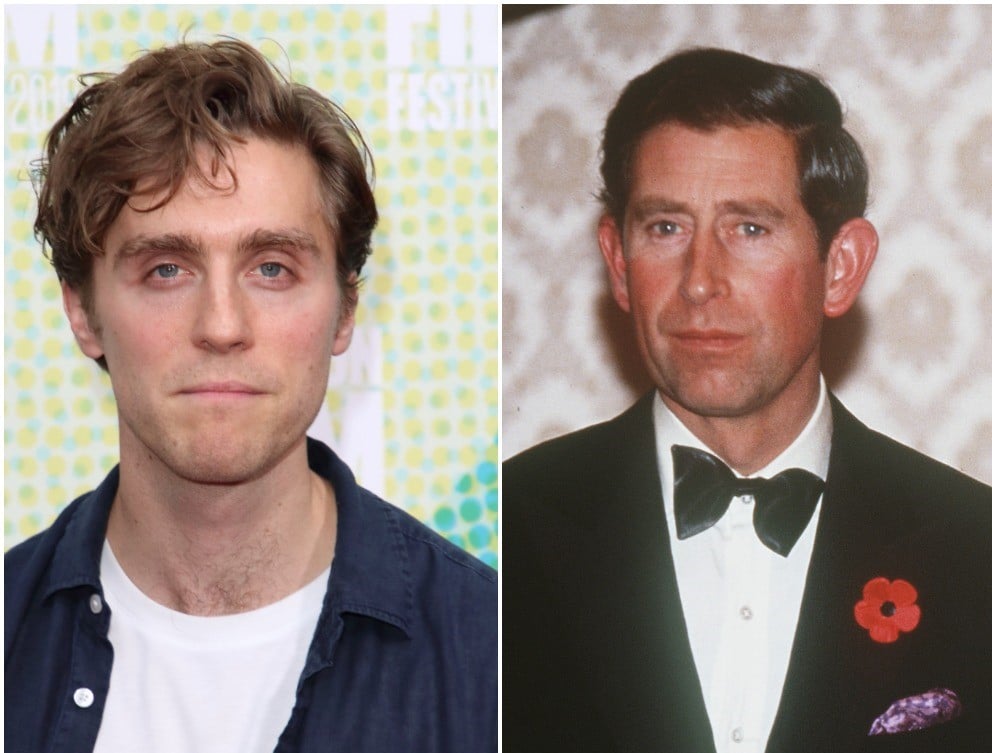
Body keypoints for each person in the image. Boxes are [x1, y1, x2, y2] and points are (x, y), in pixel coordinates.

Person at [5, 39, 496, 753]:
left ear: (345, 310)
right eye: (168, 269)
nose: (223, 327)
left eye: (271, 268)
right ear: (83, 312)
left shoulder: (487, 649)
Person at [503, 47, 992, 753]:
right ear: (618, 263)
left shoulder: (974, 550)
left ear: (840, 267)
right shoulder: (501, 540)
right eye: (665, 227)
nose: (700, 280)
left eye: (750, 228)